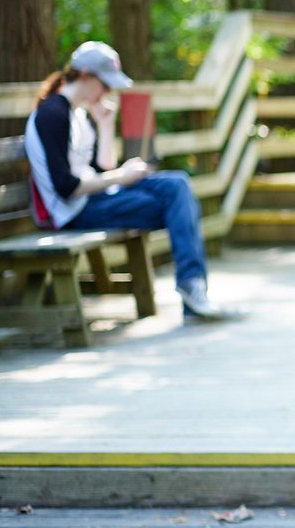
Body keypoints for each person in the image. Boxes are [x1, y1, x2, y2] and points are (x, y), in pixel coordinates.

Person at [25, 41, 230, 320]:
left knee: (178, 184)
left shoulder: (79, 113)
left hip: (94, 196)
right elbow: (66, 187)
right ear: (85, 75)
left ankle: (192, 286)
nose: (108, 92)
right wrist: (120, 176)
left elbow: (101, 166)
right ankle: (191, 287)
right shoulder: (53, 114)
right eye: (105, 85)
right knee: (176, 206)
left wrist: (106, 124)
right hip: (74, 211)